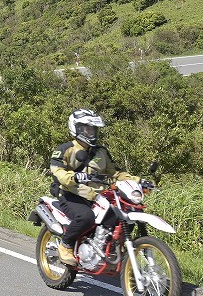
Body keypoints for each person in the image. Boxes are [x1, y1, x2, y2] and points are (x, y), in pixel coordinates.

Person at [48, 107, 137, 265]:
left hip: (97, 196)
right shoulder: (65, 149)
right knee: (86, 217)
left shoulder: (101, 152)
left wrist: (135, 180)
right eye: (88, 129)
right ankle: (66, 245)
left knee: (120, 216)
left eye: (94, 130)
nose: (92, 133)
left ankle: (107, 250)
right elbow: (57, 171)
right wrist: (74, 176)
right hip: (71, 195)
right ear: (76, 128)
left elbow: (115, 173)